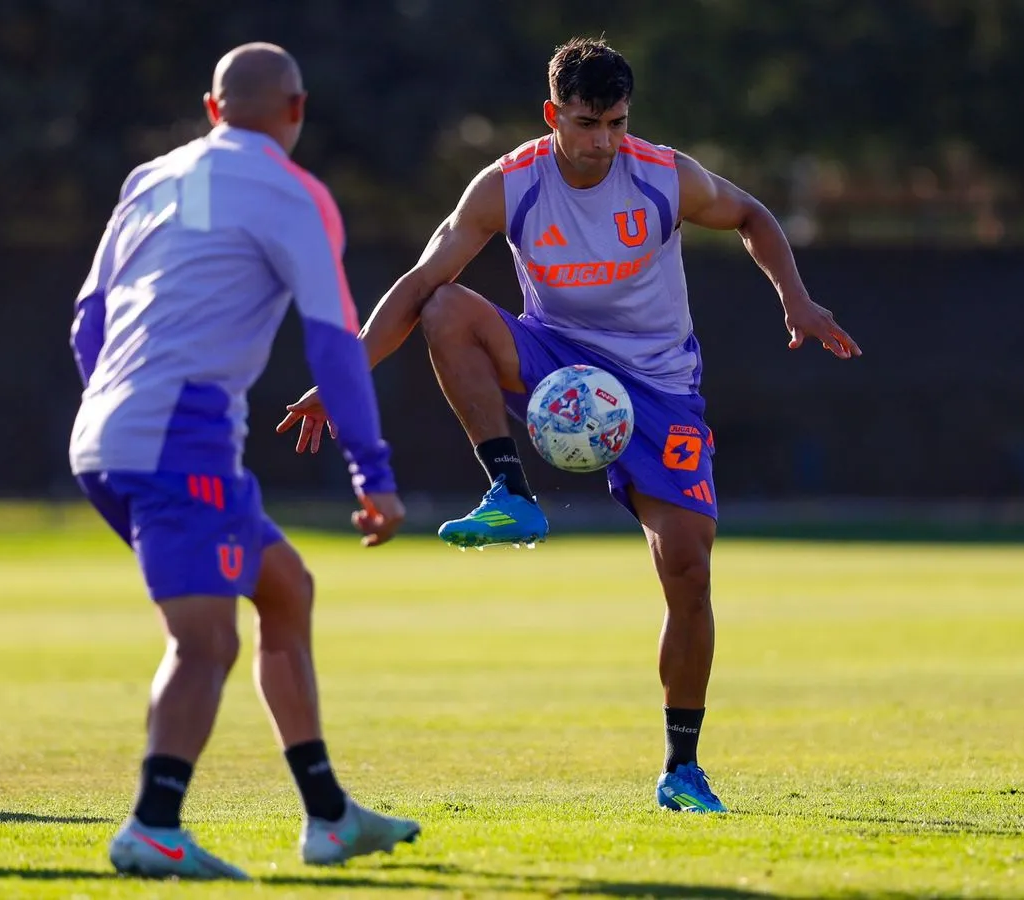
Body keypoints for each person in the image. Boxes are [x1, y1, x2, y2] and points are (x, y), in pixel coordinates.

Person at [279, 37, 862, 815]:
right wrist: (340, 382)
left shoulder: (662, 174)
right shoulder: (509, 184)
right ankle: (509, 490)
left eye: (617, 122)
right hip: (556, 363)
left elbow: (752, 214)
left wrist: (795, 298)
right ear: (554, 116)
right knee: (448, 307)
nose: (605, 142)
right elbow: (421, 281)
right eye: (589, 124)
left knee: (687, 572)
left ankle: (681, 768)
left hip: (660, 389)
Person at [70, 42, 420, 879]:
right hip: (178, 439)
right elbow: (335, 344)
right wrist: (372, 474)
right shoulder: (295, 194)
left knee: (284, 588)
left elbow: (88, 320)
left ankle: (329, 815)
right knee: (204, 642)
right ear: (297, 110)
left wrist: (118, 413)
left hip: (106, 433)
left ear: (212, 108)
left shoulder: (152, 178)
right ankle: (153, 826)